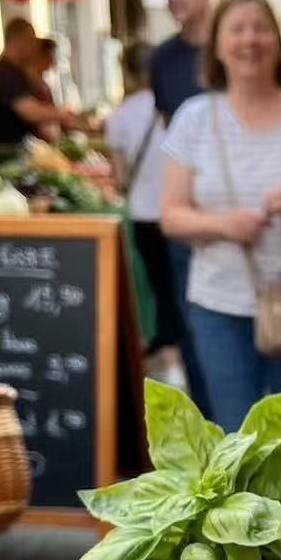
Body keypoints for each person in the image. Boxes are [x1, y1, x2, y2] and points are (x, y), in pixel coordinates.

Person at [158, 0, 281, 431]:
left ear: (278, 41)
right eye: (237, 28)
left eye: (261, 28)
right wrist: (224, 225)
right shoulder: (195, 118)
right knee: (237, 438)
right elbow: (171, 215)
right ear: (218, 45)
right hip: (220, 306)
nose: (250, 39)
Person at [150, 0, 216, 409]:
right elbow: (168, 130)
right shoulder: (162, 59)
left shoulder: (235, 48)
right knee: (192, 330)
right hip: (185, 218)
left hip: (236, 215)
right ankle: (210, 424)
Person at [105, 41, 179, 363]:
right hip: (177, 209)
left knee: (153, 281)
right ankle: (177, 342)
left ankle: (161, 339)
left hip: (141, 211)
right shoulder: (174, 108)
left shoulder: (119, 116)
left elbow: (119, 176)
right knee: (175, 280)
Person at [0, 17, 82, 152]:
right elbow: (29, 111)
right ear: (19, 41)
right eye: (31, 40)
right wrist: (62, 113)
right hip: (3, 154)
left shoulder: (16, 72)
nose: (35, 46)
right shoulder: (2, 73)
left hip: (18, 152)